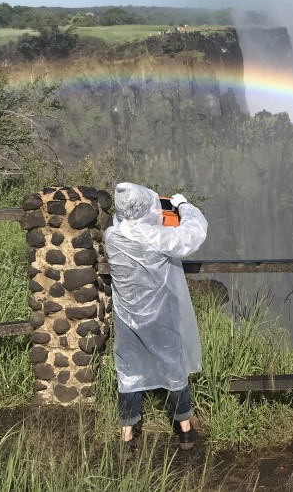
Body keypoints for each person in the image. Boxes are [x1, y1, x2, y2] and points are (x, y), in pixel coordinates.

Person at [104, 182, 208, 450]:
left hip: (128, 318)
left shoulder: (112, 237)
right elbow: (193, 233)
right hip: (161, 315)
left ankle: (127, 438)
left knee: (129, 372)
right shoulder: (158, 238)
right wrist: (184, 205)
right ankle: (185, 431)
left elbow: (125, 223)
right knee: (173, 365)